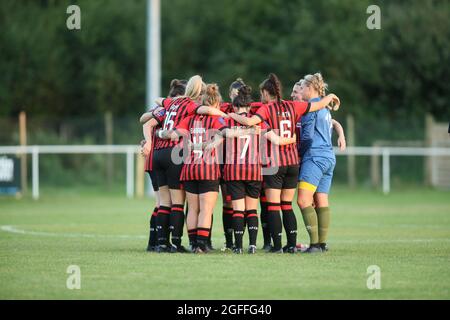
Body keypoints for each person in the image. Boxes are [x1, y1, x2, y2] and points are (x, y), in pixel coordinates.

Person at [228, 73, 340, 253]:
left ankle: (278, 246)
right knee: (287, 205)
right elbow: (318, 105)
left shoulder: (266, 109)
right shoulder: (293, 105)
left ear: (265, 92)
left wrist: (232, 116)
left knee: (273, 206)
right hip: (293, 163)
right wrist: (331, 96)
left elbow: (249, 121)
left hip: (276, 162)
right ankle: (293, 245)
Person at [220, 84, 297, 254]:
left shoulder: (228, 119)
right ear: (250, 106)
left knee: (238, 210)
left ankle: (238, 246)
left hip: (234, 170)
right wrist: (291, 139)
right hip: (254, 170)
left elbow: (223, 134)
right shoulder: (258, 121)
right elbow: (276, 140)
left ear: (234, 106)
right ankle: (253, 245)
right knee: (252, 209)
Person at [163, 84, 228, 253]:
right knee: (206, 210)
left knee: (192, 209)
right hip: (208, 168)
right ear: (216, 103)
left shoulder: (190, 118)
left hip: (189, 168)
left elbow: (173, 135)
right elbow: (224, 133)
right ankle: (201, 245)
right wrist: (211, 143)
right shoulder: (216, 118)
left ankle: (192, 244)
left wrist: (158, 134)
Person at [297, 73, 340, 253]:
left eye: (302, 87)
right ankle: (322, 243)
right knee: (321, 200)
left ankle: (314, 245)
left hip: (314, 157)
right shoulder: (325, 109)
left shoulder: (311, 107)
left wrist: (297, 155)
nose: (300, 90)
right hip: (329, 157)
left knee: (303, 200)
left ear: (309, 88)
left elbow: (306, 137)